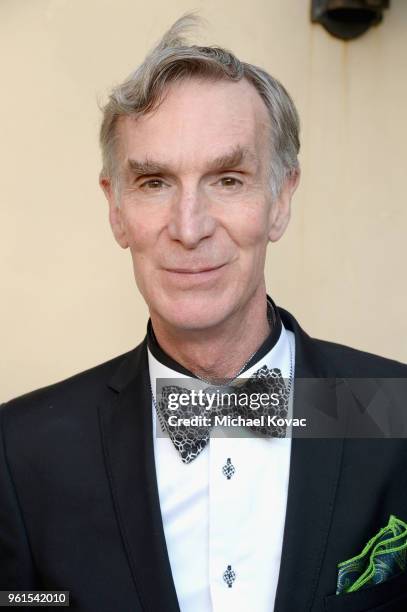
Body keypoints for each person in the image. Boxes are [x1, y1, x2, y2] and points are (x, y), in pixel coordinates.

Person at [1, 14, 407, 612]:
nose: (189, 228)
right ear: (116, 210)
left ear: (280, 200)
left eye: (228, 179)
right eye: (154, 182)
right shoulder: (22, 452)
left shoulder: (394, 414)